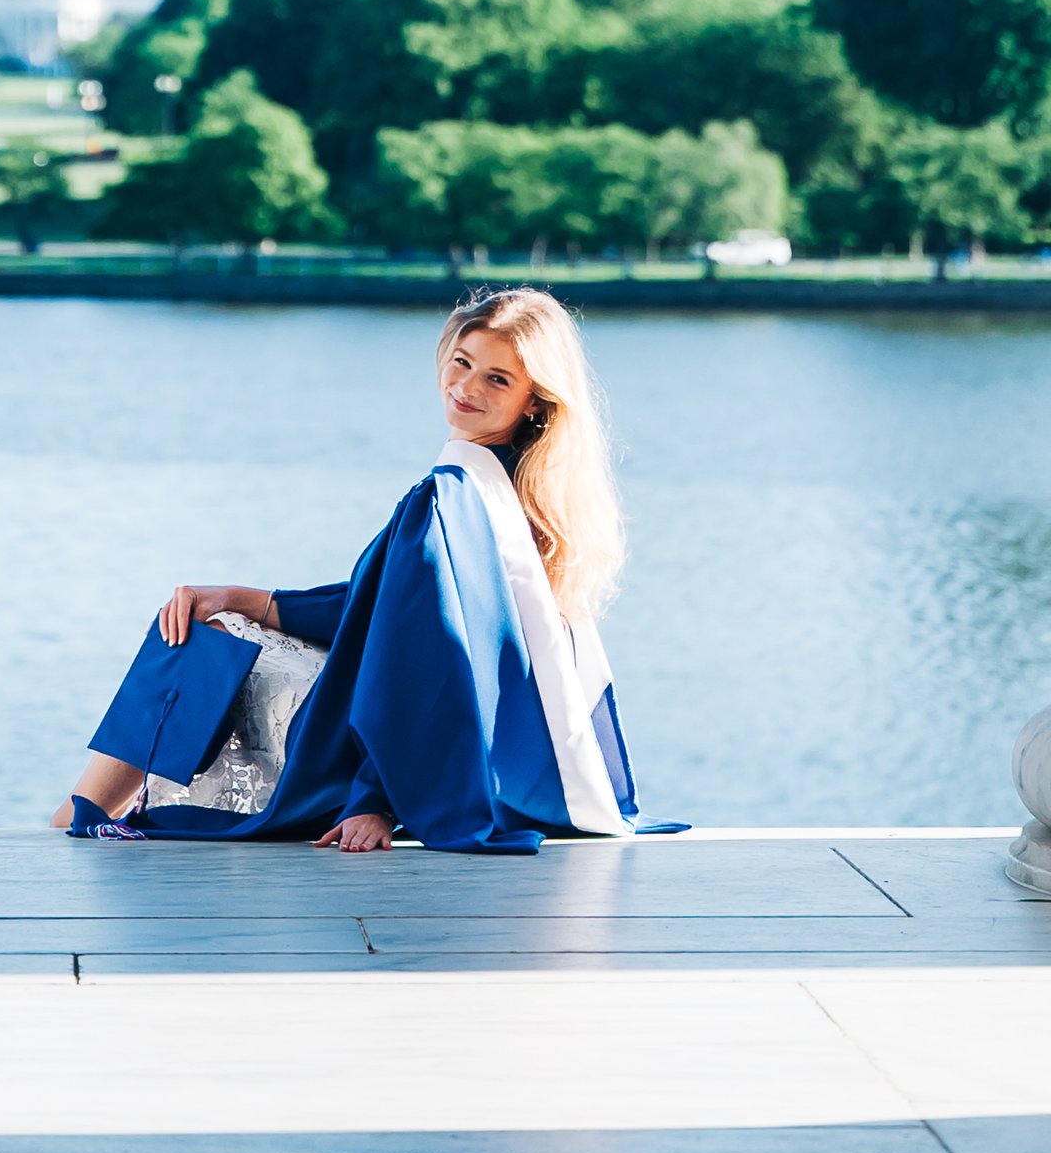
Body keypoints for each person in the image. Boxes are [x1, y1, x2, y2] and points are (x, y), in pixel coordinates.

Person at [53, 285, 664, 853]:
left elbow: (426, 655)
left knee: (197, 636)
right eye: (461, 361)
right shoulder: (520, 489)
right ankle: (90, 809)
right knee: (222, 614)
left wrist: (373, 797)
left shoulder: (451, 494)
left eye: (496, 379)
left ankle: (83, 813)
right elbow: (387, 604)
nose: (466, 387)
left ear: (534, 403)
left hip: (391, 736)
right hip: (499, 753)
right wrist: (247, 596)